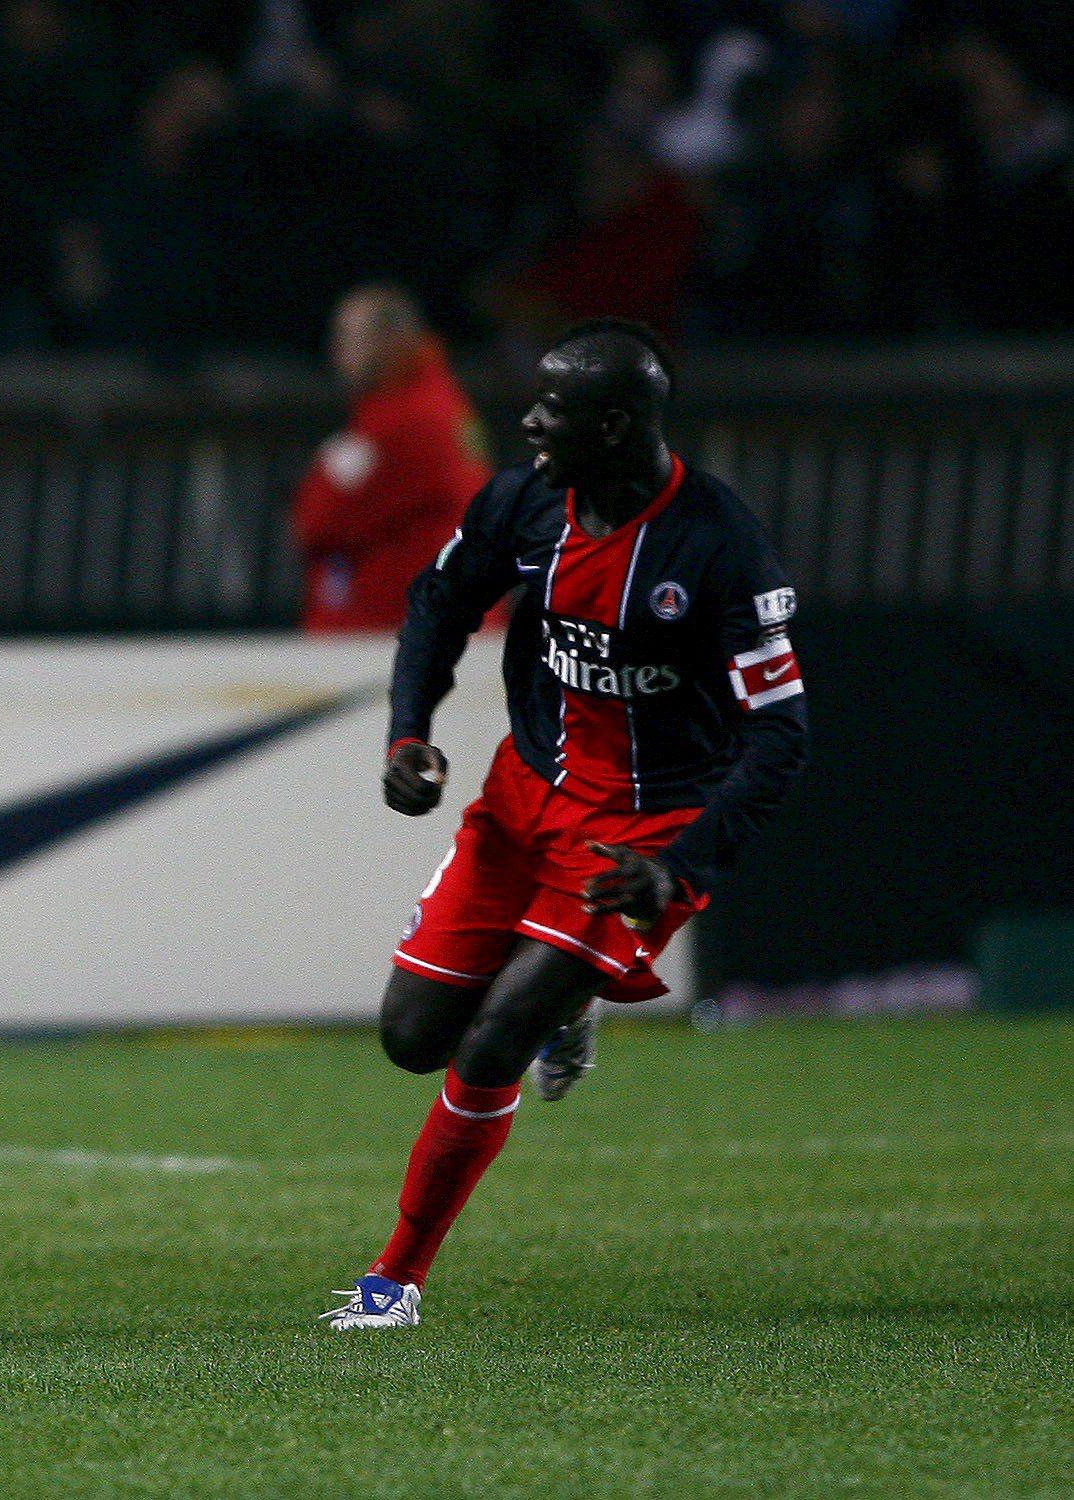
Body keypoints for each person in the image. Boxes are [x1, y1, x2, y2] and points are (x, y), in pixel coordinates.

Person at [323, 319, 809, 1331]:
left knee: (496, 1035)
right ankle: (568, 1004)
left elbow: (779, 738)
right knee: (412, 1038)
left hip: (639, 828)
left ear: (620, 425)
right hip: (518, 800)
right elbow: (439, 603)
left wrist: (677, 866)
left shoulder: (719, 546)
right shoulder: (523, 502)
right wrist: (407, 734)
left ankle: (394, 1280)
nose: (531, 422)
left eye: (554, 408)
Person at [290, 285, 490, 631]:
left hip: (395, 631)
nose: (338, 353)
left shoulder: (406, 421)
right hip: (425, 627)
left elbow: (317, 520)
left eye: (351, 340)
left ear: (392, 341)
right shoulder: (440, 405)